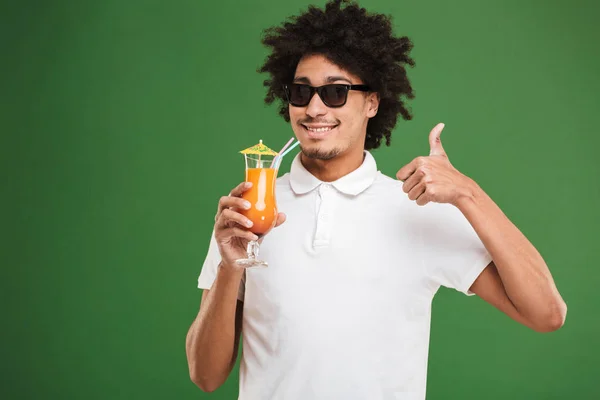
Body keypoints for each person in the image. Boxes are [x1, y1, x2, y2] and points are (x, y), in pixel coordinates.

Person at [185, 1, 567, 398]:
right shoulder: (246, 213)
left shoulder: (415, 209)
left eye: (335, 92)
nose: (314, 108)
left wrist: (469, 193)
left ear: (372, 102)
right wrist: (229, 268)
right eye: (301, 92)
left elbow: (546, 314)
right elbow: (206, 376)